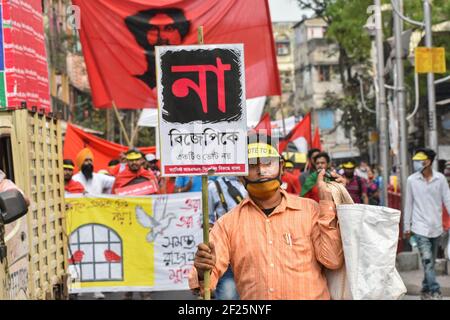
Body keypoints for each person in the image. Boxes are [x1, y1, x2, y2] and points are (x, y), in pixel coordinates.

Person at [189, 133, 344, 299]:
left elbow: (332, 260)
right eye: (252, 164)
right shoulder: (227, 224)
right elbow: (204, 284)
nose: (261, 170)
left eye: (267, 162)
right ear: (240, 175)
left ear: (282, 167)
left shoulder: (311, 210)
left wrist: (327, 203)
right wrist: (202, 270)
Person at [404, 148, 450, 300]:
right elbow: (408, 204)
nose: (416, 163)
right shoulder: (411, 180)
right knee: (428, 260)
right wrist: (407, 226)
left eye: (419, 160)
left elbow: (448, 201)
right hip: (419, 227)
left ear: (428, 161)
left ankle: (425, 288)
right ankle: (435, 291)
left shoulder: (440, 179)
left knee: (429, 262)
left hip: (436, 227)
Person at [125, 8, 190, 89]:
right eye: (154, 29)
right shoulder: (135, 85)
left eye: (169, 29)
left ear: (181, 34)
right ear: (141, 36)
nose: (162, 36)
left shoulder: (191, 82)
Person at [208, 176, 247, 300]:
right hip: (228, 251)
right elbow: (207, 219)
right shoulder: (214, 187)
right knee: (228, 295)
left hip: (256, 250)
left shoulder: (259, 184)